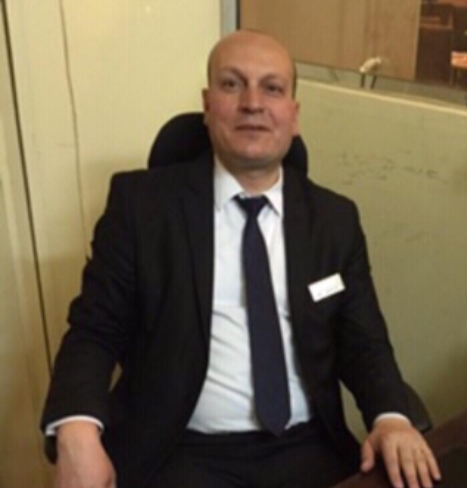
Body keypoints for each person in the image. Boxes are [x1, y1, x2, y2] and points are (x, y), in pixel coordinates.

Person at [41, 29, 441, 488]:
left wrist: (391, 418)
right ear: (208, 106)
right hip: (180, 450)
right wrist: (75, 430)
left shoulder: (334, 219)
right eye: (232, 84)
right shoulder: (141, 206)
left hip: (306, 447)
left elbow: (364, 342)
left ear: (293, 115)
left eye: (272, 88)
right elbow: (95, 329)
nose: (253, 103)